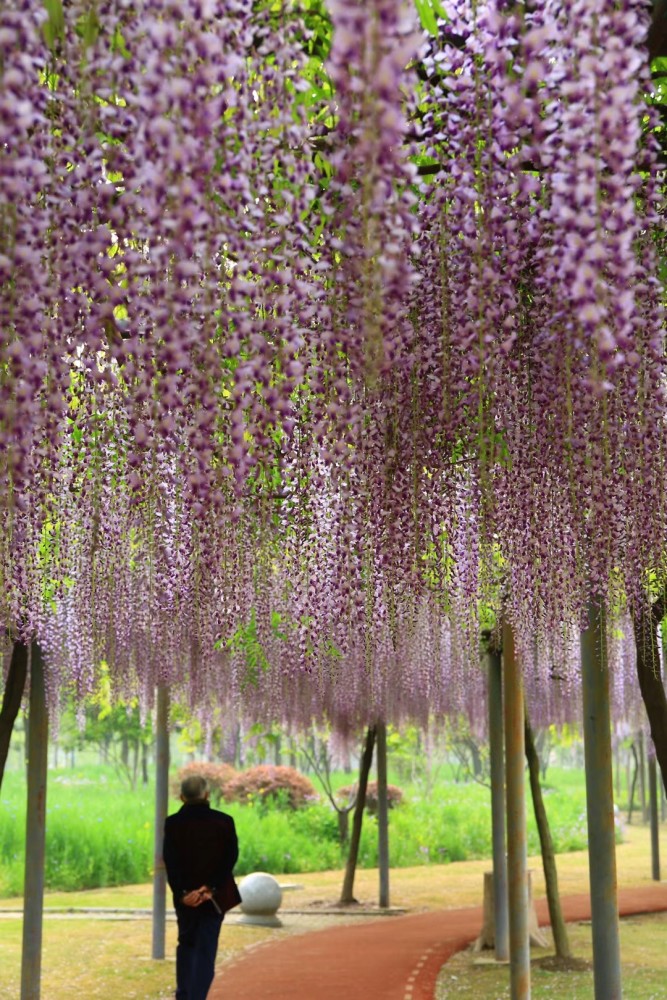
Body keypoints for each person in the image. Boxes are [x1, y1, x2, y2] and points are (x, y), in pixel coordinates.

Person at [163, 774, 241, 1000]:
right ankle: (196, 996)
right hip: (213, 897)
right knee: (206, 949)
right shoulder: (224, 821)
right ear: (207, 795)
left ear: (181, 797)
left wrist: (183, 894)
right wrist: (210, 887)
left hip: (186, 899)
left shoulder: (173, 823)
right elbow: (230, 858)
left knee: (186, 944)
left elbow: (171, 861)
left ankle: (184, 994)